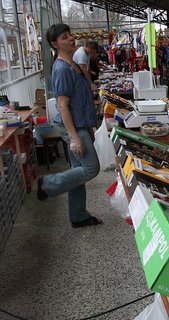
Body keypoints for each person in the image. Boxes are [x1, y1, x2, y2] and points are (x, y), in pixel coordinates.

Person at [38, 23, 102, 228]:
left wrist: (89, 127)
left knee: (78, 171)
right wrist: (75, 137)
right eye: (65, 37)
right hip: (73, 127)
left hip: (81, 124)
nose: (71, 39)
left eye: (70, 35)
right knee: (91, 168)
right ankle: (48, 184)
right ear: (54, 43)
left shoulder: (72, 63)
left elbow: (79, 101)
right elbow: (62, 106)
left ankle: (78, 216)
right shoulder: (62, 69)